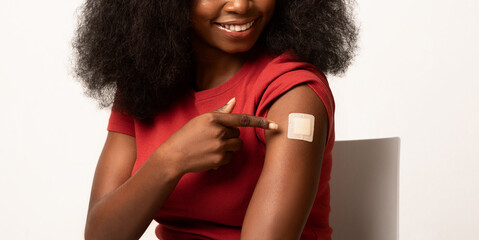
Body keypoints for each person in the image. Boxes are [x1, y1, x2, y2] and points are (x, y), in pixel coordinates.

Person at [73, 0, 357, 239]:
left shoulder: (293, 93)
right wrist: (171, 160)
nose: (241, 5)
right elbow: (100, 234)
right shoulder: (144, 84)